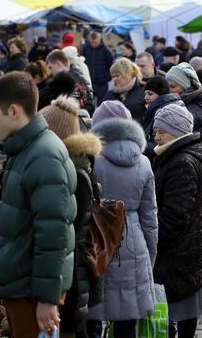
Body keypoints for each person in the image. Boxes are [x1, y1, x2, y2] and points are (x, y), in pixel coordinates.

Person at [0, 72, 76, 337]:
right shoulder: (25, 149)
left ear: (14, 111)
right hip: (24, 283)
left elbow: (53, 234)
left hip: (31, 290)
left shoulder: (42, 156)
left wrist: (47, 299)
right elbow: (30, 214)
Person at [87, 101, 158, 337]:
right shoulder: (144, 162)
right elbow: (150, 216)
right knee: (128, 316)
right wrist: (151, 253)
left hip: (97, 237)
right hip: (132, 239)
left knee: (91, 312)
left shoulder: (91, 162)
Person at [40, 97, 102, 338]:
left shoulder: (73, 174)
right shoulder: (73, 167)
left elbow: (66, 233)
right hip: (72, 275)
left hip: (71, 278)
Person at [152, 104, 202, 338]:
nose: (156, 136)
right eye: (155, 131)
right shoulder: (172, 155)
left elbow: (175, 215)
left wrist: (154, 237)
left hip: (177, 251)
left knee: (179, 311)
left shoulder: (181, 161)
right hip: (184, 249)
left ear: (177, 131)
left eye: (161, 131)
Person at [166, 63, 202, 144]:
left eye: (173, 86)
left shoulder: (191, 110)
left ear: (186, 87)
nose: (168, 90)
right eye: (167, 86)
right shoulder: (177, 103)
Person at [142, 76, 184, 160]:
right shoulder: (155, 109)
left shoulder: (166, 113)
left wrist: (138, 144)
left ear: (161, 94)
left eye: (150, 94)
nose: (146, 97)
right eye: (145, 93)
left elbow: (161, 145)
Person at [104, 58, 146, 125]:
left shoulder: (144, 90)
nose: (114, 79)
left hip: (139, 133)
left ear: (127, 74)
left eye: (117, 76)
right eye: (113, 76)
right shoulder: (110, 94)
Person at [81, 31, 113, 104]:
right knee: (88, 104)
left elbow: (110, 64)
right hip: (88, 82)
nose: (94, 44)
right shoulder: (85, 48)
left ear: (99, 40)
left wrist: (108, 77)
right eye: (92, 42)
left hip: (102, 83)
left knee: (102, 104)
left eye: (96, 42)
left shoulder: (106, 50)